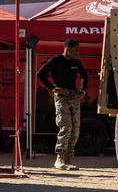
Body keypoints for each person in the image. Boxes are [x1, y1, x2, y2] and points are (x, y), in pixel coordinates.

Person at [36, 39, 90, 170]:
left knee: (75, 129)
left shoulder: (76, 63)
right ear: (68, 49)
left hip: (73, 96)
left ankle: (68, 159)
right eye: (76, 50)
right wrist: (54, 89)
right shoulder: (55, 61)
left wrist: (82, 90)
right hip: (61, 96)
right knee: (66, 126)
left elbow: (84, 75)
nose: (77, 53)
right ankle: (59, 159)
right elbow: (40, 74)